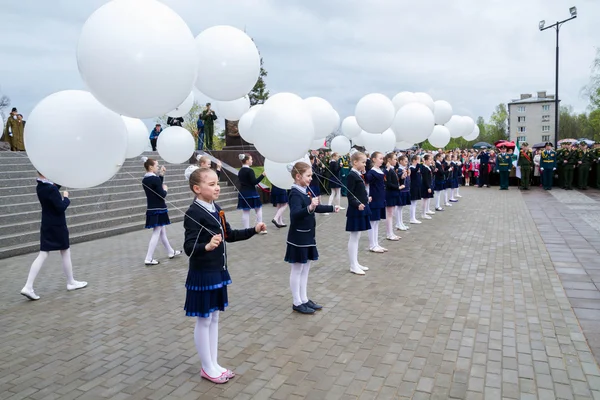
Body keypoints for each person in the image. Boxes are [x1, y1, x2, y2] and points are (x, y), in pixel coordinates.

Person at [184, 167, 266, 383]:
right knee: (203, 320)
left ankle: (214, 362)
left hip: (218, 271)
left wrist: (253, 231)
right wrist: (207, 246)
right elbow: (189, 246)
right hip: (203, 273)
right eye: (211, 184)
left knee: (214, 318)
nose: (217, 187)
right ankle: (206, 366)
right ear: (197, 188)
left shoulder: (216, 207)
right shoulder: (194, 212)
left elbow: (229, 234)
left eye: (217, 182)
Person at [20, 172, 87, 300]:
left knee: (43, 253)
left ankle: (28, 286)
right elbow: (60, 207)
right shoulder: (50, 189)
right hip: (58, 225)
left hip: (46, 224)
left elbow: (53, 192)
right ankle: (71, 282)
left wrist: (61, 182)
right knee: (65, 251)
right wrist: (66, 198)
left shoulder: (41, 186)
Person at [285, 162, 338, 314]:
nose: (310, 178)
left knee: (306, 268)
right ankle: (296, 301)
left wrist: (332, 208)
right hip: (298, 237)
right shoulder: (295, 193)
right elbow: (295, 215)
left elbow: (315, 207)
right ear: (298, 176)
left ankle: (304, 298)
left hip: (308, 235)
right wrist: (309, 207)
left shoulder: (305, 190)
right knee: (297, 269)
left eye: (311, 175)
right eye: (308, 176)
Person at [142, 158, 180, 265]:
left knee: (162, 232)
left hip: (152, 208)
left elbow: (155, 188)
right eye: (156, 166)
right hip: (159, 208)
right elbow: (161, 194)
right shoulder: (155, 179)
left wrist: (161, 175)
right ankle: (148, 258)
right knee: (157, 233)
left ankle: (170, 251)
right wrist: (166, 189)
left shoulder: (145, 179)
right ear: (150, 167)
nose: (158, 167)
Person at [345, 151, 371, 275]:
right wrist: (357, 204)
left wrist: (366, 198)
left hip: (361, 207)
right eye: (363, 162)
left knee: (357, 237)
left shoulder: (358, 174)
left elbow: (359, 191)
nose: (365, 164)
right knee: (354, 237)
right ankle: (353, 264)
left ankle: (355, 262)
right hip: (355, 209)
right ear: (355, 162)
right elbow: (349, 194)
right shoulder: (351, 175)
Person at [236, 154, 267, 233]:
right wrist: (262, 175)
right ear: (247, 161)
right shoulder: (250, 171)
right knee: (258, 209)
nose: (252, 161)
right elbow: (254, 182)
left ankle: (246, 229)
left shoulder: (240, 171)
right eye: (251, 159)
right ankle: (260, 227)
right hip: (251, 193)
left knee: (246, 211)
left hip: (243, 193)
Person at [365, 152, 387, 253]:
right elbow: (366, 183)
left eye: (382, 158)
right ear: (373, 159)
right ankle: (372, 244)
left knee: (377, 222)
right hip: (374, 198)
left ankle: (376, 243)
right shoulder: (371, 172)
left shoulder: (379, 170)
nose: (382, 160)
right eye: (380, 158)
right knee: (373, 222)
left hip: (380, 198)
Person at [383, 152, 401, 241]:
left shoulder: (392, 169)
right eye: (394, 159)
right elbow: (388, 183)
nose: (396, 161)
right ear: (389, 160)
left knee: (391, 214)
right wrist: (398, 187)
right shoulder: (388, 169)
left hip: (393, 193)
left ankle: (391, 232)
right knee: (389, 214)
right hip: (389, 193)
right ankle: (389, 233)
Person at [396, 155, 411, 230]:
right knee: (399, 207)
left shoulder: (405, 169)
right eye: (405, 161)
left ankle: (400, 222)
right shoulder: (399, 169)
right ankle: (398, 223)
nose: (407, 162)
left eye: (407, 161)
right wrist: (402, 175)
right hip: (401, 190)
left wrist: (408, 174)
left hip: (405, 189)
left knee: (401, 208)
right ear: (401, 161)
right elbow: (399, 178)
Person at [409, 155, 422, 224]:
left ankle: (413, 217)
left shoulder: (416, 168)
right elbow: (415, 171)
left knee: (415, 203)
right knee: (412, 203)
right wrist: (418, 164)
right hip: (413, 186)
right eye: (417, 160)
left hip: (417, 186)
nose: (419, 161)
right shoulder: (411, 168)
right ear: (414, 160)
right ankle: (412, 218)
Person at [420, 154, 434, 219]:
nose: (431, 161)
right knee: (425, 199)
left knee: (427, 199)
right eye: (429, 160)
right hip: (425, 185)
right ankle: (423, 213)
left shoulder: (428, 167)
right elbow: (425, 179)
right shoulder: (424, 168)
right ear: (425, 160)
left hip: (428, 184)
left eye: (431, 160)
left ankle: (425, 211)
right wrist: (428, 187)